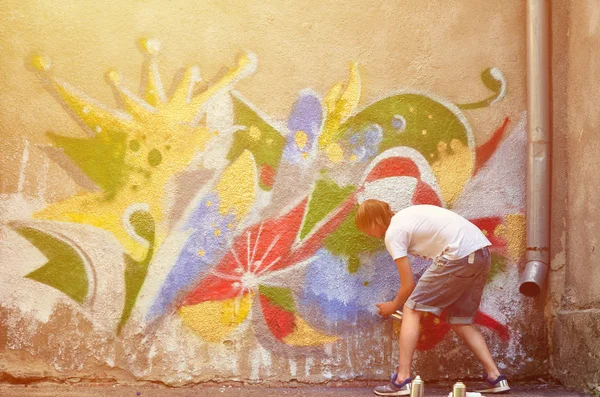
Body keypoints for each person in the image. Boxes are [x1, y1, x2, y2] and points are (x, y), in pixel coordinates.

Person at [354, 199, 510, 396]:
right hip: (480, 254)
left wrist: (393, 305)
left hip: (459, 255)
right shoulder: (406, 218)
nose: (367, 234)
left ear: (375, 221)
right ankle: (496, 377)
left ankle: (402, 380)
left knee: (411, 309)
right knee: (460, 321)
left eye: (366, 228)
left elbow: (408, 284)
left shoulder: (393, 232)